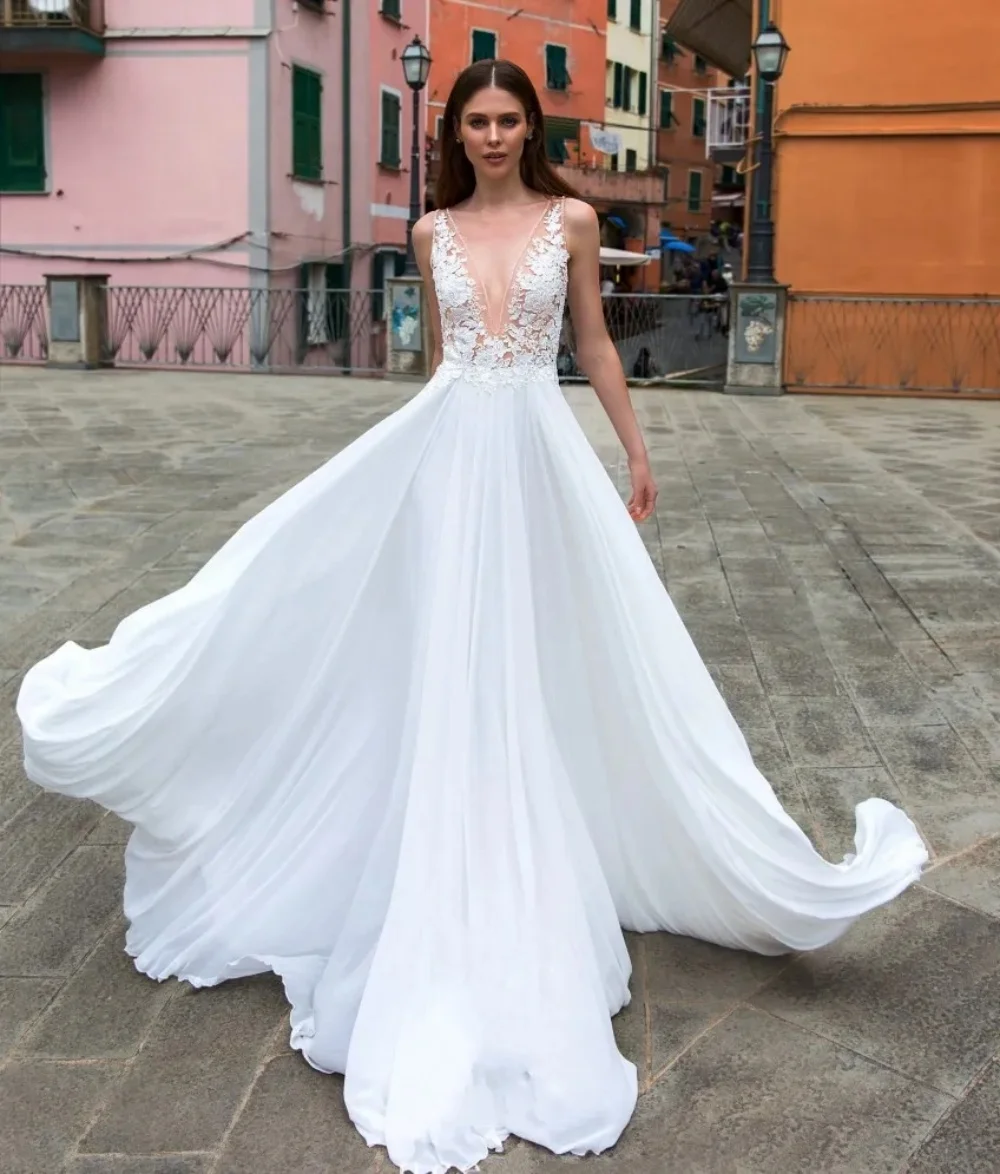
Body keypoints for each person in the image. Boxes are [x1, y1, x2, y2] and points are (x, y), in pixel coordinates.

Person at [17, 59, 927, 1174]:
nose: (493, 135)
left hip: (539, 455)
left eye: (509, 120)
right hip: (454, 454)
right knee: (438, 649)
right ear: (456, 131)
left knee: (561, 650)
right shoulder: (431, 230)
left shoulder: (575, 220)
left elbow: (590, 341)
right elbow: (444, 365)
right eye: (477, 121)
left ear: (529, 127)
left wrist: (634, 449)